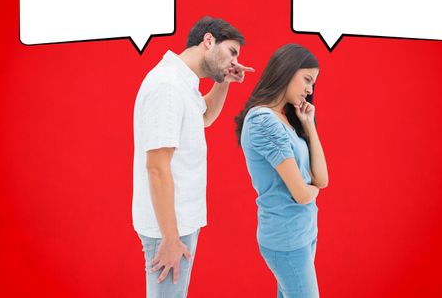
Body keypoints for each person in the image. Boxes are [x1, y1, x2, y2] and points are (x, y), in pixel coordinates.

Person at [133, 16, 254, 297]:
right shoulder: (167, 86)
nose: (235, 61)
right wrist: (171, 238)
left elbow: (206, 116)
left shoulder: (183, 82)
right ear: (208, 41)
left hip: (180, 221)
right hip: (169, 228)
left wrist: (224, 80)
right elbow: (157, 168)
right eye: (232, 51)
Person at [235, 44, 329, 298]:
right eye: (307, 79)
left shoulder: (287, 119)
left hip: (304, 231)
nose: (310, 90)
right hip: (287, 238)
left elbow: (322, 179)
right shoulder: (263, 121)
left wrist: (309, 126)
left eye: (313, 83)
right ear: (287, 71)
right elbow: (301, 193)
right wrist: (312, 191)